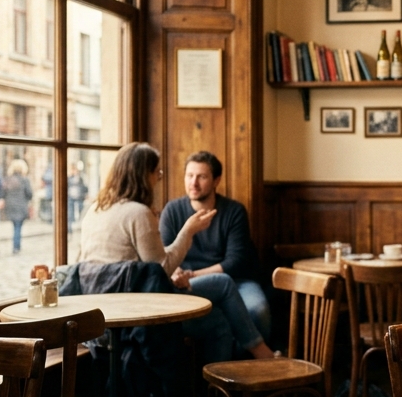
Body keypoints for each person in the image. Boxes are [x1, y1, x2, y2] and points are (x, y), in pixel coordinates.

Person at [78, 142, 274, 362]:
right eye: (156, 172)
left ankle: (221, 386)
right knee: (222, 285)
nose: (158, 178)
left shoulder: (94, 209)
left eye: (201, 176)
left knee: (220, 320)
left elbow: (235, 260)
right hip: (135, 305)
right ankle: (257, 361)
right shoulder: (139, 212)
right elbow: (160, 270)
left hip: (97, 309)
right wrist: (188, 231)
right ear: (144, 175)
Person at [160, 151, 273, 360]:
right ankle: (243, 367)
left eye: (201, 177)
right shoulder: (172, 210)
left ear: (216, 181)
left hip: (236, 280)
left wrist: (191, 275)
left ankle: (247, 371)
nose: (193, 183)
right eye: (189, 176)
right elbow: (164, 254)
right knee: (216, 318)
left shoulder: (234, 211)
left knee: (257, 310)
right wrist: (178, 275)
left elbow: (235, 261)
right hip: (188, 283)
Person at [1, 159, 33, 255]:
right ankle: (16, 247)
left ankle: (16, 246)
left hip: (11, 205)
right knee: (18, 227)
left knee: (15, 226)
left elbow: (3, 192)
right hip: (21, 205)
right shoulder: (24, 180)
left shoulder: (8, 179)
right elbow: (29, 193)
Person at [67, 162, 88, 231]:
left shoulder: (80, 178)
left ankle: (80, 226)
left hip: (79, 197)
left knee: (80, 211)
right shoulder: (69, 178)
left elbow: (84, 187)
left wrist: (85, 194)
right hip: (71, 198)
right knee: (70, 213)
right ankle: (70, 229)